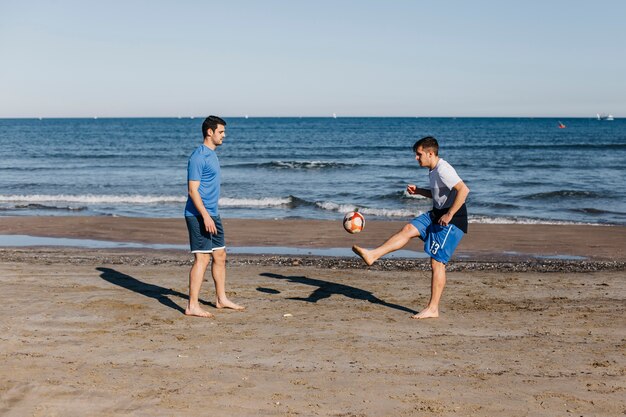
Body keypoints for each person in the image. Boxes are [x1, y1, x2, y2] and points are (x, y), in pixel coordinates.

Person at [352, 136, 470, 319]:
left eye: (419, 154)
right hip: (437, 213)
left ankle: (433, 308)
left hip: (452, 220)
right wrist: (420, 191)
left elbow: (463, 190)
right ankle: (372, 255)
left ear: (430, 153)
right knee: (408, 229)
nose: (416, 157)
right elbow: (438, 193)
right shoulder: (433, 170)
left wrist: (450, 215)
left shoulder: (443, 169)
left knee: (437, 262)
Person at [184, 115, 244, 318]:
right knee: (202, 258)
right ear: (209, 132)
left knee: (220, 255)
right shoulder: (198, 157)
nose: (224, 136)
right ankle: (192, 305)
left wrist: (212, 215)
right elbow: (193, 191)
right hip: (198, 214)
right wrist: (205, 216)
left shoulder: (212, 154)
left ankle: (221, 299)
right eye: (221, 132)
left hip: (212, 214)